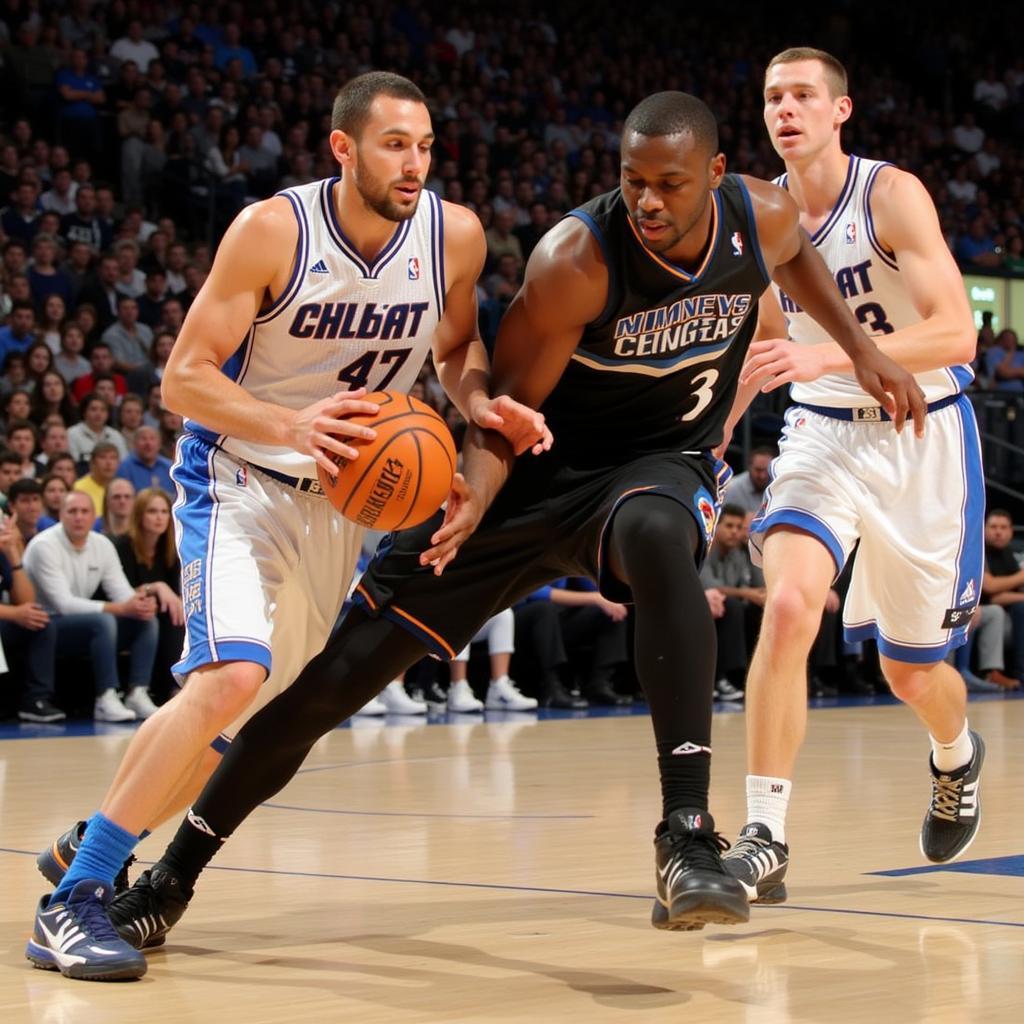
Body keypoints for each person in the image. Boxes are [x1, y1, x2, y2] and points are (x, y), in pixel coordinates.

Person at [99, 90, 923, 953]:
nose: (647, 201)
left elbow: (794, 261)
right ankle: (170, 877)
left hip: (653, 467)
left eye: (670, 184)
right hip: (532, 471)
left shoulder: (763, 215)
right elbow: (506, 408)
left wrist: (862, 351)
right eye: (633, 181)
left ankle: (686, 835)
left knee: (655, 537)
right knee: (331, 682)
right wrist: (473, 500)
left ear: (716, 176)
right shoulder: (578, 257)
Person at [27, 71, 547, 982]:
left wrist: (479, 410)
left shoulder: (453, 234)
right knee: (231, 677)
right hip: (238, 476)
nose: (414, 163)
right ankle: (75, 901)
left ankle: (92, 838)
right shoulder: (274, 230)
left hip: (339, 508)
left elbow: (459, 347)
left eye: (425, 145)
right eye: (394, 144)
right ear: (342, 148)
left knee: (238, 724)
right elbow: (182, 378)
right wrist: (292, 425)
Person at [712, 48, 983, 906]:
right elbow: (758, 354)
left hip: (923, 434)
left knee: (911, 673)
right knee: (789, 606)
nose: (783, 109)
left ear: (841, 111)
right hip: (822, 435)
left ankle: (954, 755)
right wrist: (711, 439)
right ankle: (766, 837)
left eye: (801, 96)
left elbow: (955, 334)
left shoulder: (891, 195)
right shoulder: (760, 215)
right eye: (771, 98)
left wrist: (828, 352)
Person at [23, 490, 158, 724]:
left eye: (84, 511)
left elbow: (122, 593)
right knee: (102, 621)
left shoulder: (102, 544)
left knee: (146, 620)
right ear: (61, 515)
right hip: (44, 623)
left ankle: (138, 692)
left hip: (81, 623)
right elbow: (63, 604)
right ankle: (106, 697)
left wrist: (139, 604)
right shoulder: (44, 545)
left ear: (93, 517)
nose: (78, 517)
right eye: (72, 511)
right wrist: (121, 608)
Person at [113, 488, 184, 707]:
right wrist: (155, 587)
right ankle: (142, 690)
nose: (160, 517)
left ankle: (175, 688)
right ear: (139, 515)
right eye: (152, 511)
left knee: (178, 615)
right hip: (122, 612)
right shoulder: (122, 545)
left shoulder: (171, 549)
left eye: (164, 511)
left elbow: (175, 596)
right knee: (157, 615)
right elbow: (118, 592)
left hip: (156, 613)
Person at [0, 500, 59, 722]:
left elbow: (26, 600)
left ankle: (36, 701)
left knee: (39, 620)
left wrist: (13, 556)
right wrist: (14, 614)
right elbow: (17, 610)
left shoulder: (3, 550)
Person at [115, 424, 173, 494]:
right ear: (134, 444)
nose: (148, 443)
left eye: (152, 439)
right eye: (143, 439)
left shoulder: (170, 467)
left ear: (159, 444)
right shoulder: (124, 468)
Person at [723, 446, 774, 514]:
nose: (762, 476)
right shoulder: (731, 488)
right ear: (749, 467)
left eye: (767, 470)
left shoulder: (779, 486)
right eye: (758, 470)